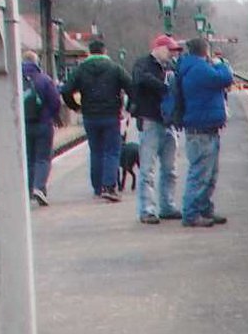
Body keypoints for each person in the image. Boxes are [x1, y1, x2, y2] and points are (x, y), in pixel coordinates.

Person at [164, 35, 234, 228]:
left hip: (204, 128)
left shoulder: (190, 66)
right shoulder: (198, 68)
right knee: (201, 173)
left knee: (209, 173)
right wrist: (220, 63)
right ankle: (192, 213)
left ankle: (204, 208)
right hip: (201, 129)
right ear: (205, 51)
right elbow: (225, 78)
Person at [62, 38, 133, 202]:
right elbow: (131, 87)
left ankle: (98, 187)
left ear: (89, 52)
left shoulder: (81, 69)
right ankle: (109, 186)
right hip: (110, 115)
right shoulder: (115, 68)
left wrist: (76, 107)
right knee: (112, 151)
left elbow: (66, 90)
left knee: (96, 151)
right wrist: (128, 108)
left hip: (90, 116)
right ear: (104, 51)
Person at [129, 34, 183, 224]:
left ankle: (167, 206)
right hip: (150, 120)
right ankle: (147, 209)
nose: (172, 55)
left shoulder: (171, 67)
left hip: (168, 123)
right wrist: (165, 87)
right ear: (159, 48)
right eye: (170, 50)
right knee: (147, 169)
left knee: (170, 169)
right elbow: (140, 80)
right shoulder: (142, 64)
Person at [21, 50, 63, 205]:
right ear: (36, 62)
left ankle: (29, 189)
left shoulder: (16, 80)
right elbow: (55, 101)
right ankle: (39, 187)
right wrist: (51, 116)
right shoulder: (44, 79)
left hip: (23, 125)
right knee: (43, 158)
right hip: (43, 124)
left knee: (29, 158)